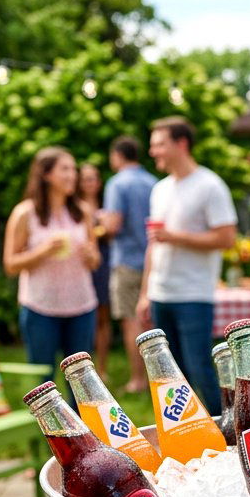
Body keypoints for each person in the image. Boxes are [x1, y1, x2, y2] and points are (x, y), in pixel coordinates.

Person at [136, 117, 237, 415]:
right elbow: (154, 244)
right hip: (160, 295)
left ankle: (227, 430)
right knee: (169, 376)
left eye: (159, 145)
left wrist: (174, 237)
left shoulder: (210, 185)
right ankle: (184, 434)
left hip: (193, 294)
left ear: (181, 144)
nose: (153, 152)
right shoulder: (160, 189)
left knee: (199, 369)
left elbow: (227, 237)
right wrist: (145, 293)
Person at [3, 147, 100, 386]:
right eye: (64, 169)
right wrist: (43, 251)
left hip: (81, 306)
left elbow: (95, 260)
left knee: (82, 383)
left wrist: (90, 255)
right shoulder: (25, 214)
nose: (72, 175)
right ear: (46, 174)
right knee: (44, 382)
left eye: (73, 170)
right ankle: (51, 425)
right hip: (40, 308)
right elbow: (10, 264)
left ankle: (82, 425)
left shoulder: (83, 212)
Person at [102, 136, 155, 394]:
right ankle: (158, 380)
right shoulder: (153, 182)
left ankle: (137, 380)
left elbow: (113, 225)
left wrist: (99, 219)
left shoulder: (117, 183)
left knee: (131, 321)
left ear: (117, 155)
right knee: (151, 323)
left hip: (126, 261)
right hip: (152, 261)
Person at [77, 161, 112, 377]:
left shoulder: (106, 205)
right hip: (81, 265)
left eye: (93, 178)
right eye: (85, 179)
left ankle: (102, 367)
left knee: (102, 316)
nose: (89, 183)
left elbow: (109, 232)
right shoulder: (74, 207)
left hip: (103, 263)